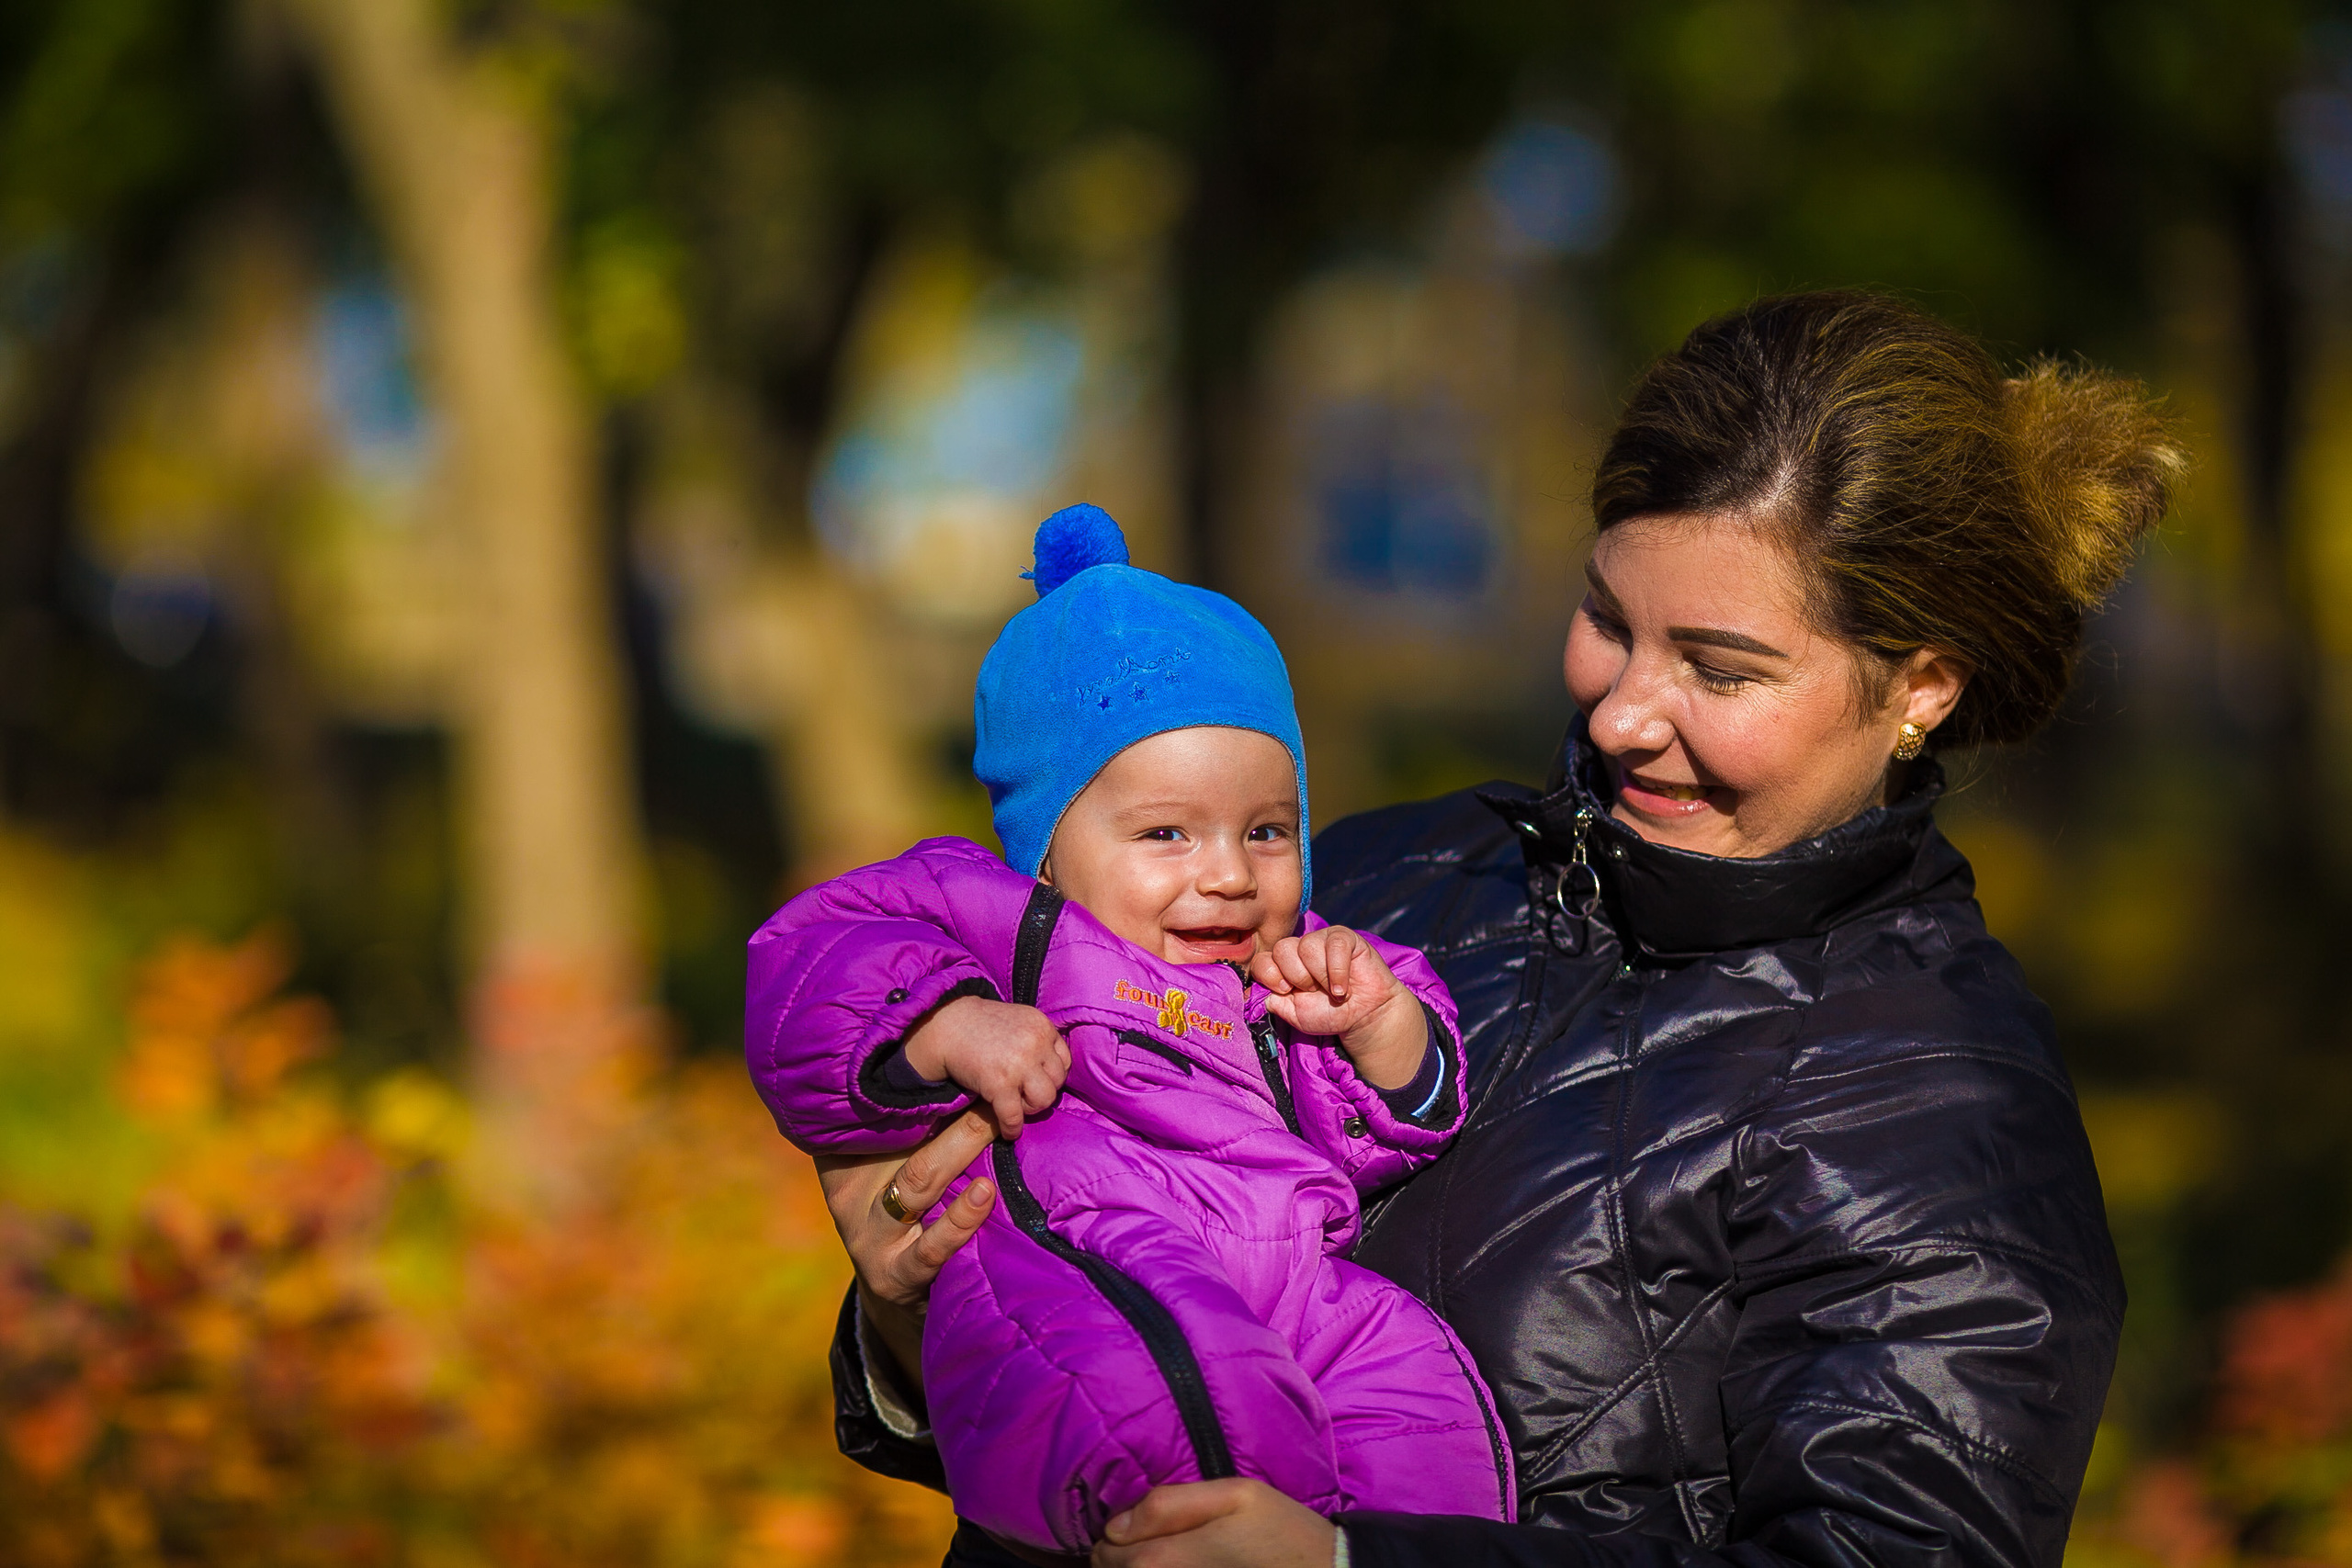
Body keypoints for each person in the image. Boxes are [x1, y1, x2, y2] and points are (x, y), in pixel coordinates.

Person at [817, 292, 2179, 1568]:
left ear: (1922, 685)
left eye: (1719, 670)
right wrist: (908, 1315)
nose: (1620, 712)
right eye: (1606, 620)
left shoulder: (1946, 1105)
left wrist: (1350, 1559)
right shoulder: (1380, 873)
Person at [745, 505, 1510, 1558]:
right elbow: (810, 975)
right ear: (1047, 848)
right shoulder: (991, 920)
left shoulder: (1287, 971)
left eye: (1266, 831)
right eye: (1166, 833)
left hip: (1296, 1280)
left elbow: (1390, 1130)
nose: (1229, 874)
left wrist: (1380, 1025)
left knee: (1413, 1394)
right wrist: (947, 1028)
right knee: (1165, 1388)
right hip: (1084, 1244)